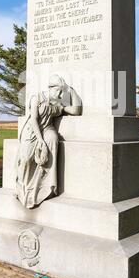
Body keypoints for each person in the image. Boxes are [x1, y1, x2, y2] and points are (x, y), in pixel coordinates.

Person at [16, 75, 82, 209]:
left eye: (62, 92)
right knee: (26, 159)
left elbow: (76, 110)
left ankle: (47, 185)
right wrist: (40, 141)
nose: (60, 95)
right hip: (32, 131)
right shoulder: (37, 98)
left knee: (53, 138)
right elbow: (33, 120)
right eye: (59, 91)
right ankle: (22, 188)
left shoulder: (57, 104)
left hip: (47, 129)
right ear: (51, 88)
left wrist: (71, 89)